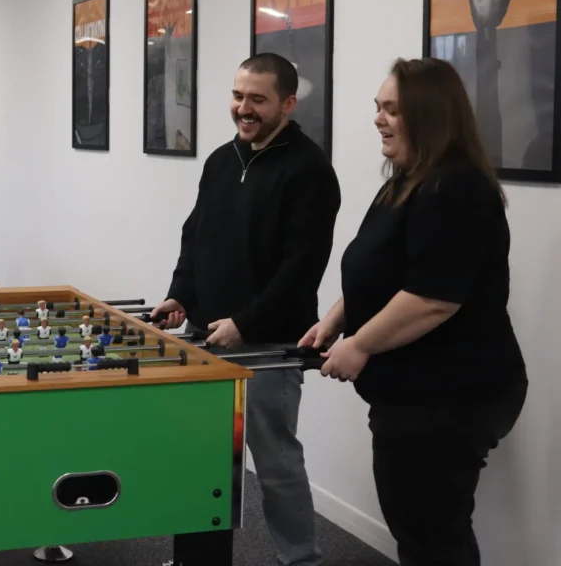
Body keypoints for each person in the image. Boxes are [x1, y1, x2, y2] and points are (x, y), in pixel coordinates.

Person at [300, 57, 527, 566]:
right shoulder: (406, 181)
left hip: (452, 395)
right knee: (418, 524)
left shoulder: (457, 188)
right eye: (378, 108)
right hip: (418, 391)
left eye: (392, 110)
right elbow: (382, 270)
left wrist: (358, 344)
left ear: (429, 115)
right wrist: (335, 320)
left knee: (432, 534)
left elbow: (433, 298)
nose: (378, 119)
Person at [150, 53, 341, 566]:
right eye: (238, 96)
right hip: (204, 337)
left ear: (288, 103)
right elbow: (196, 237)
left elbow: (300, 270)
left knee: (275, 463)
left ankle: (300, 559)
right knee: (200, 457)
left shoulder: (310, 171)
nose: (244, 108)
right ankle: (199, 556)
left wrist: (245, 323)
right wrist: (180, 293)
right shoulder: (219, 160)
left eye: (257, 99)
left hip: (268, 345)